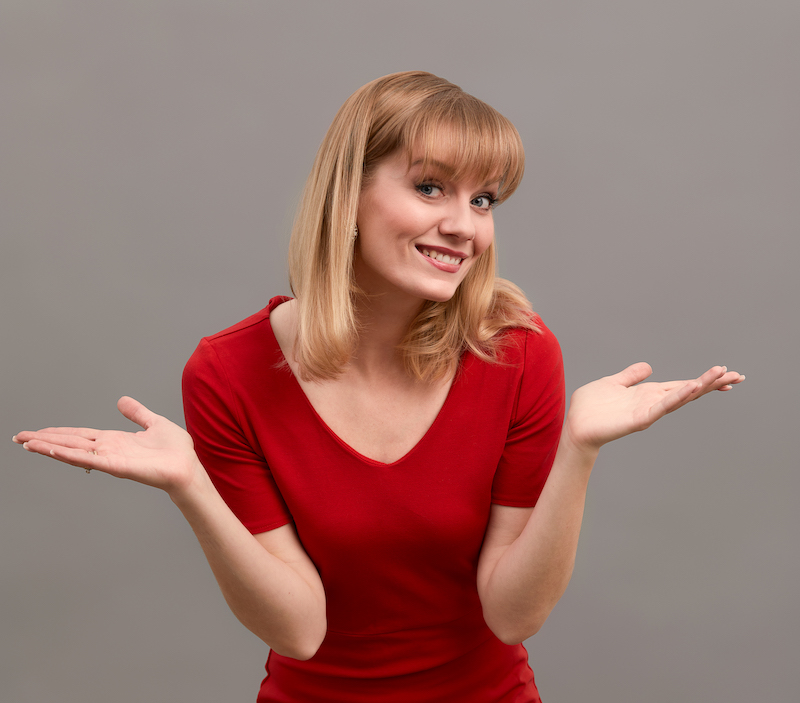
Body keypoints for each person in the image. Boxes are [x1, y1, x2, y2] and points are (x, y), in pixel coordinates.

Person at [13, 71, 743, 702]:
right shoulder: (227, 374)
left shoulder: (517, 352)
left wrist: (579, 451)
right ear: (348, 193)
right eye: (430, 187)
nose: (463, 226)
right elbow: (299, 629)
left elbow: (512, 614)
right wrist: (191, 487)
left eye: (484, 200)